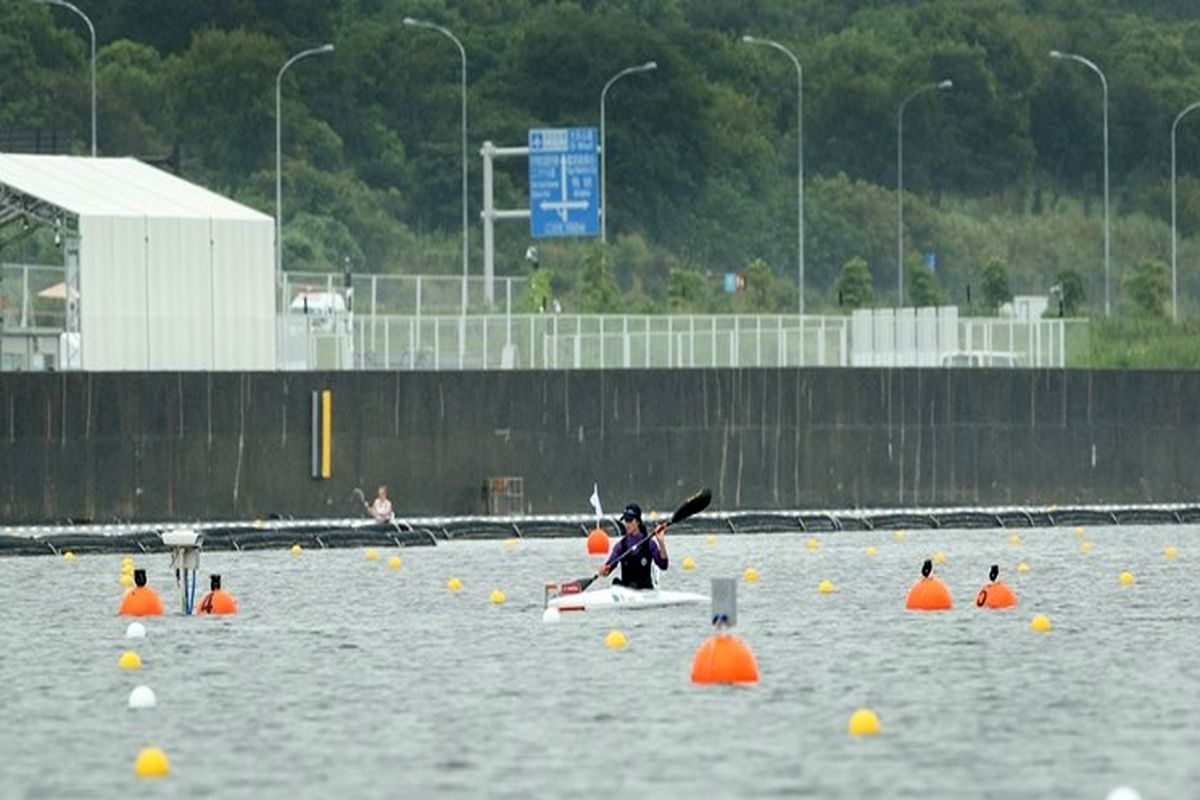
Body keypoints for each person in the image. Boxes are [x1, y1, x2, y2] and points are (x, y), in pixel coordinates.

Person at [598, 503, 668, 590]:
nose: (627, 524)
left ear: (638, 522)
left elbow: (663, 565)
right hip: (626, 592)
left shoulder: (649, 544)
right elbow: (609, 566)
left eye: (630, 520)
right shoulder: (621, 546)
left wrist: (661, 542)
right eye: (626, 520)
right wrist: (604, 570)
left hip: (645, 592)